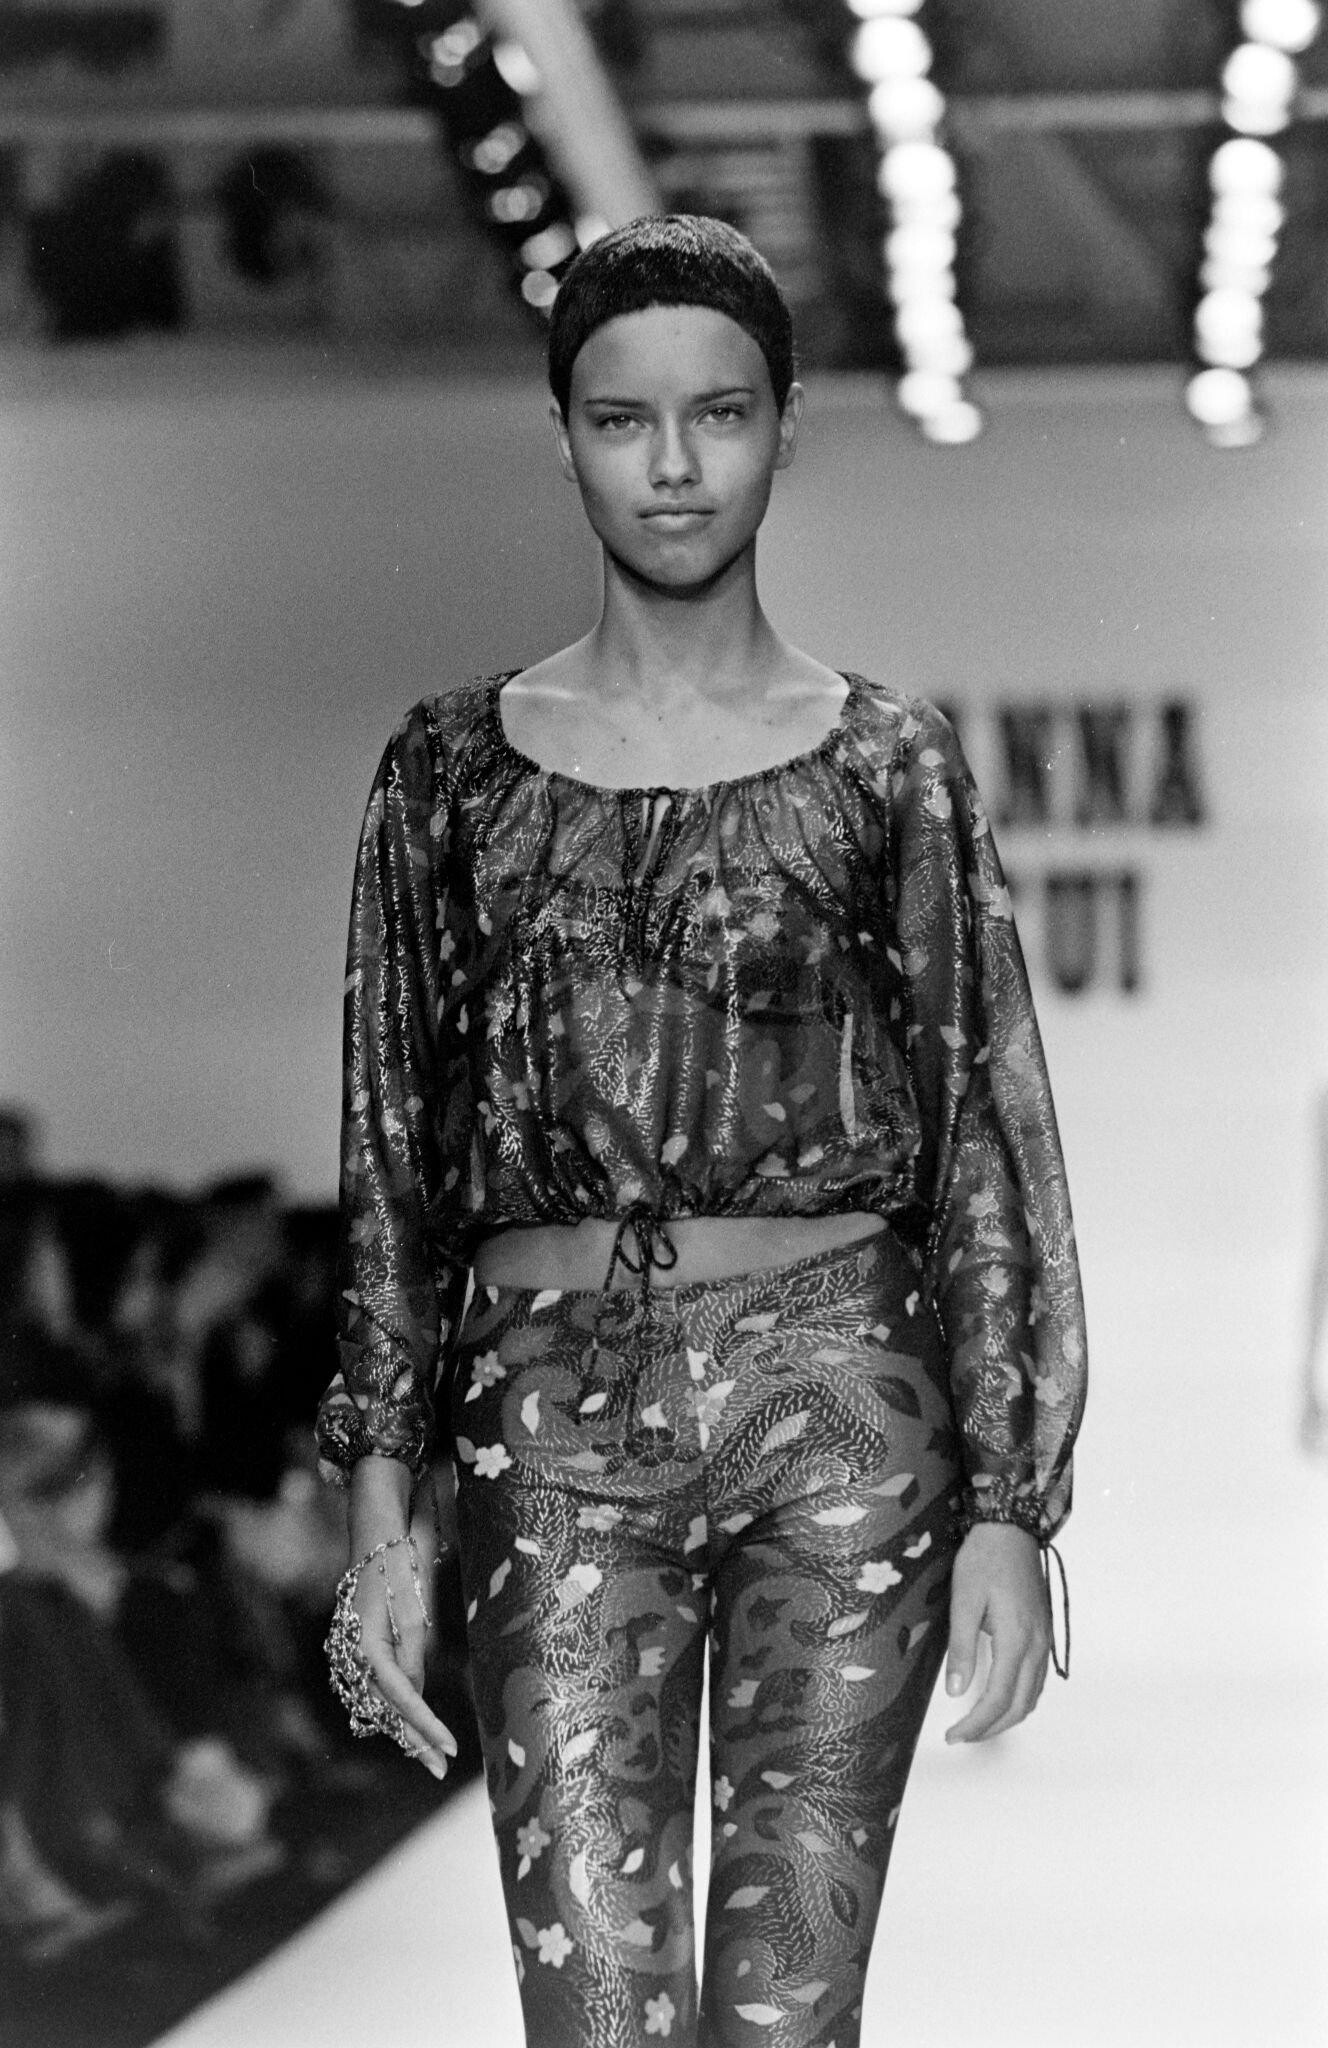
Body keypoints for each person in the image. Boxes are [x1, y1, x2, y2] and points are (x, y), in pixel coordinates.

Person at [315, 215, 1087, 2048]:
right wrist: (380, 1518)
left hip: (847, 1401)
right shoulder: (447, 774)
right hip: (547, 1413)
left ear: (784, 429)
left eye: (719, 415)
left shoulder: (888, 765)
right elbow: (392, 1158)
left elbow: (984, 1142)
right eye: (623, 420)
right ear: (565, 438)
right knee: (593, 2007)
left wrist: (1012, 1504)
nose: (673, 466)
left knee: (790, 2012)